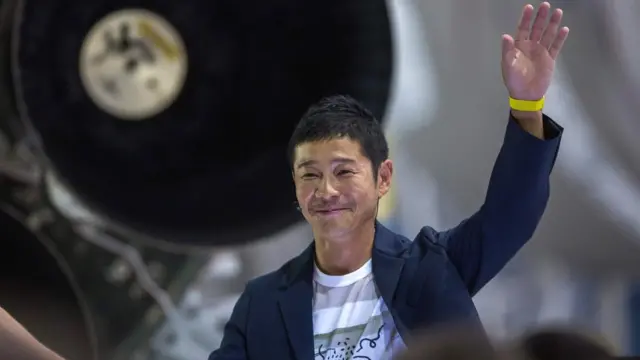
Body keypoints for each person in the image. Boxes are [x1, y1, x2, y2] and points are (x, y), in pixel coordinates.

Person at [209, 2, 569, 360]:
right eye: (310, 175)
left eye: (344, 172)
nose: (327, 191)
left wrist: (527, 105)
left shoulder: (431, 271)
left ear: (382, 179)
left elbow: (511, 215)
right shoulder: (263, 304)